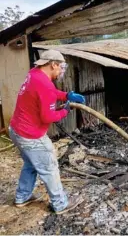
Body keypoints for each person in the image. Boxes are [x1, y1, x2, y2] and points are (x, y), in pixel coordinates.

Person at [8, 50, 85, 214]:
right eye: (60, 68)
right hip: (31, 136)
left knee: (31, 164)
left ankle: (22, 197)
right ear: (53, 64)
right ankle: (60, 203)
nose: (61, 72)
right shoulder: (45, 84)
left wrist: (66, 95)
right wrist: (66, 110)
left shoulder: (34, 74)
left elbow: (47, 94)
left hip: (16, 130)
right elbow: (48, 117)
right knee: (49, 167)